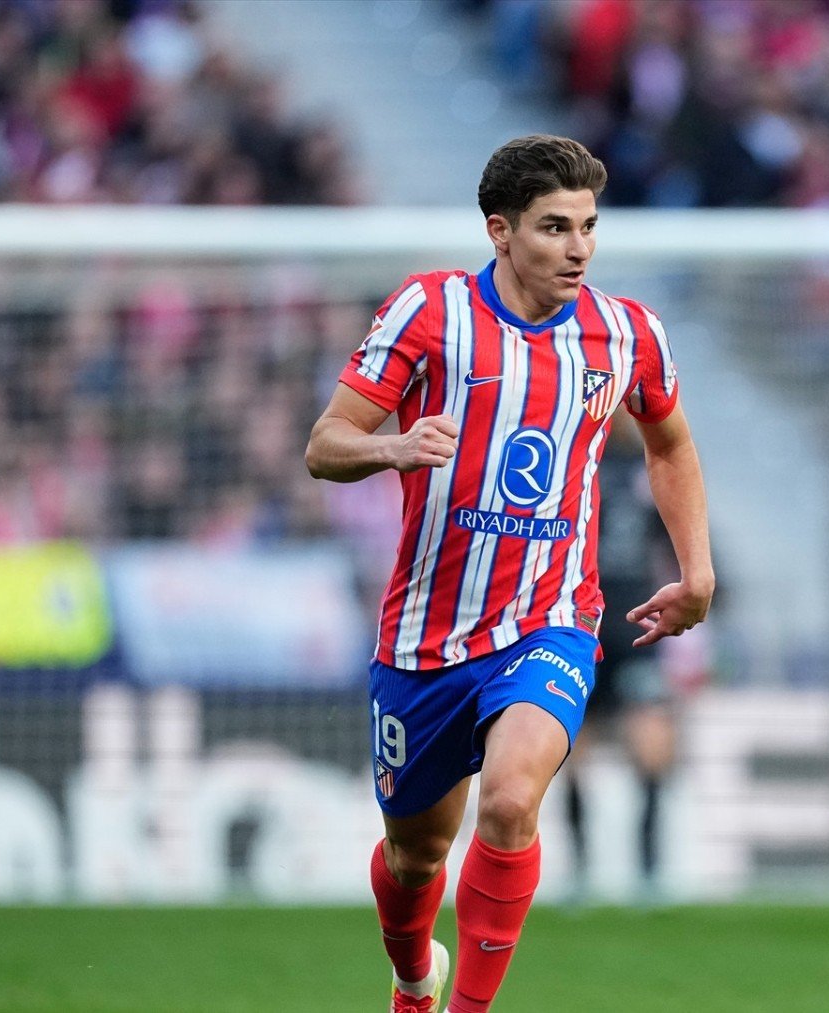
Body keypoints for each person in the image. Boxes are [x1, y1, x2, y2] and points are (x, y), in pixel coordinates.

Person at [304, 134, 713, 1013]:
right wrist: (392, 446)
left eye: (589, 227)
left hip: (551, 619)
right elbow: (323, 445)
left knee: (511, 800)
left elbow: (671, 442)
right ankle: (415, 981)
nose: (578, 248)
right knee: (417, 855)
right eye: (554, 227)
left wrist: (698, 568)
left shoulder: (625, 332)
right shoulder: (430, 312)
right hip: (425, 636)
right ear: (500, 231)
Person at [563, 418, 682, 905]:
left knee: (650, 748)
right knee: (570, 752)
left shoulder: (651, 465)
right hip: (584, 627)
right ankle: (582, 871)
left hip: (634, 626)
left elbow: (678, 535)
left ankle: (649, 872)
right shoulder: (578, 462)